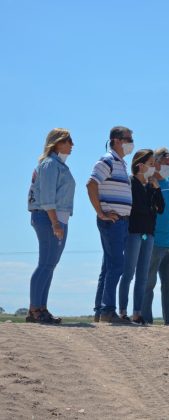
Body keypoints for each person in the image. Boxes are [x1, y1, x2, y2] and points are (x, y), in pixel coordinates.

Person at [26, 128, 76, 324]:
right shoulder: (49, 165)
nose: (72, 145)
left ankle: (41, 307)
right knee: (45, 263)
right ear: (57, 142)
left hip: (58, 219)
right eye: (68, 141)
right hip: (48, 218)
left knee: (50, 264)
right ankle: (35, 309)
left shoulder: (59, 165)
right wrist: (55, 222)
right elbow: (47, 197)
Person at [88, 126, 135, 324]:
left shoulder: (121, 163)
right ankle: (108, 309)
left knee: (109, 266)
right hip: (112, 222)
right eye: (128, 139)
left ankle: (101, 310)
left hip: (120, 222)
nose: (131, 143)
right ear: (116, 140)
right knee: (116, 265)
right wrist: (100, 212)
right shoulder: (107, 160)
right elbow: (91, 184)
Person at [118, 149, 164, 324]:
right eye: (151, 164)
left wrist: (156, 189)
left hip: (149, 234)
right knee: (128, 272)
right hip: (134, 233)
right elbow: (137, 208)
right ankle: (122, 311)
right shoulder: (131, 183)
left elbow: (161, 208)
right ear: (140, 165)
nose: (154, 167)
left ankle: (137, 312)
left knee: (143, 275)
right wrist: (149, 208)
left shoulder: (150, 187)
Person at [143, 148, 169, 325]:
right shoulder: (148, 183)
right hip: (153, 241)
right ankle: (145, 319)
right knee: (148, 284)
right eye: (166, 163)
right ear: (156, 163)